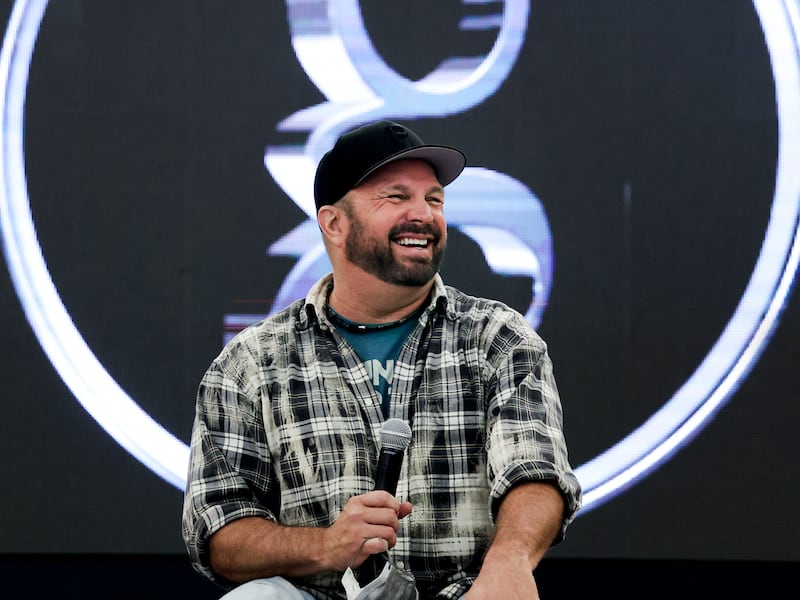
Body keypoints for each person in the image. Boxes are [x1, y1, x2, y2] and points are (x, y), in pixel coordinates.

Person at [182, 120, 582, 599]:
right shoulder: (250, 362)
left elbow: (535, 472)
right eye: (396, 198)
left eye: (434, 200)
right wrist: (329, 545)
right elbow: (221, 534)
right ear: (334, 224)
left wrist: (510, 561)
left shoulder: (497, 336)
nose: (424, 214)